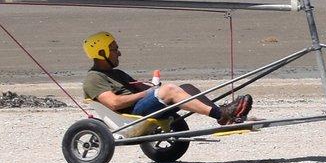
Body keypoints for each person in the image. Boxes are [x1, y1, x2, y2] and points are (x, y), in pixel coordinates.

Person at [81, 33, 252, 126]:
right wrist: (148, 93)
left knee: (187, 87)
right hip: (130, 117)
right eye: (114, 49)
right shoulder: (93, 78)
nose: (119, 53)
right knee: (169, 90)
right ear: (102, 53)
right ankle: (222, 115)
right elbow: (115, 103)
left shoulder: (117, 73)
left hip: (141, 108)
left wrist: (151, 87)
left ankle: (225, 115)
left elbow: (141, 89)